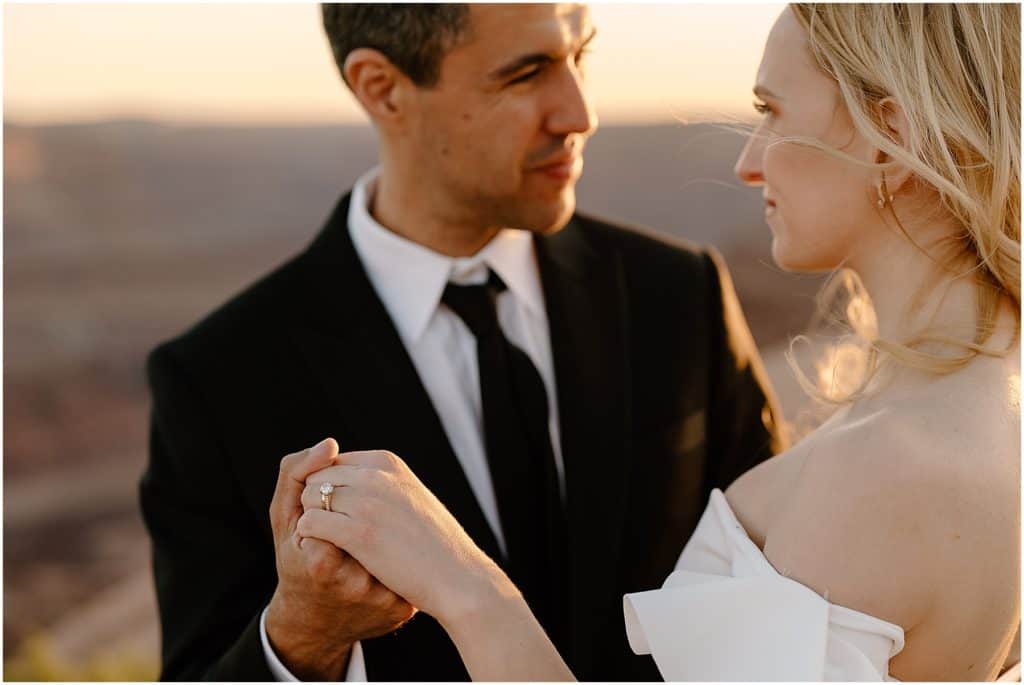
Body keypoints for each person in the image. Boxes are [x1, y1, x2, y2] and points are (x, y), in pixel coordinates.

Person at [292, 3, 1022, 681]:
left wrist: (461, 582)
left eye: (771, 111)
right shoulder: (984, 404)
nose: (749, 161)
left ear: (890, 137)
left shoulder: (885, 468)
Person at [139, 3, 785, 681]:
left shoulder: (681, 295)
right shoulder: (218, 378)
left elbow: (782, 582)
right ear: (382, 87)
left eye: (578, 57)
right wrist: (303, 634)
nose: (579, 113)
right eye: (527, 72)